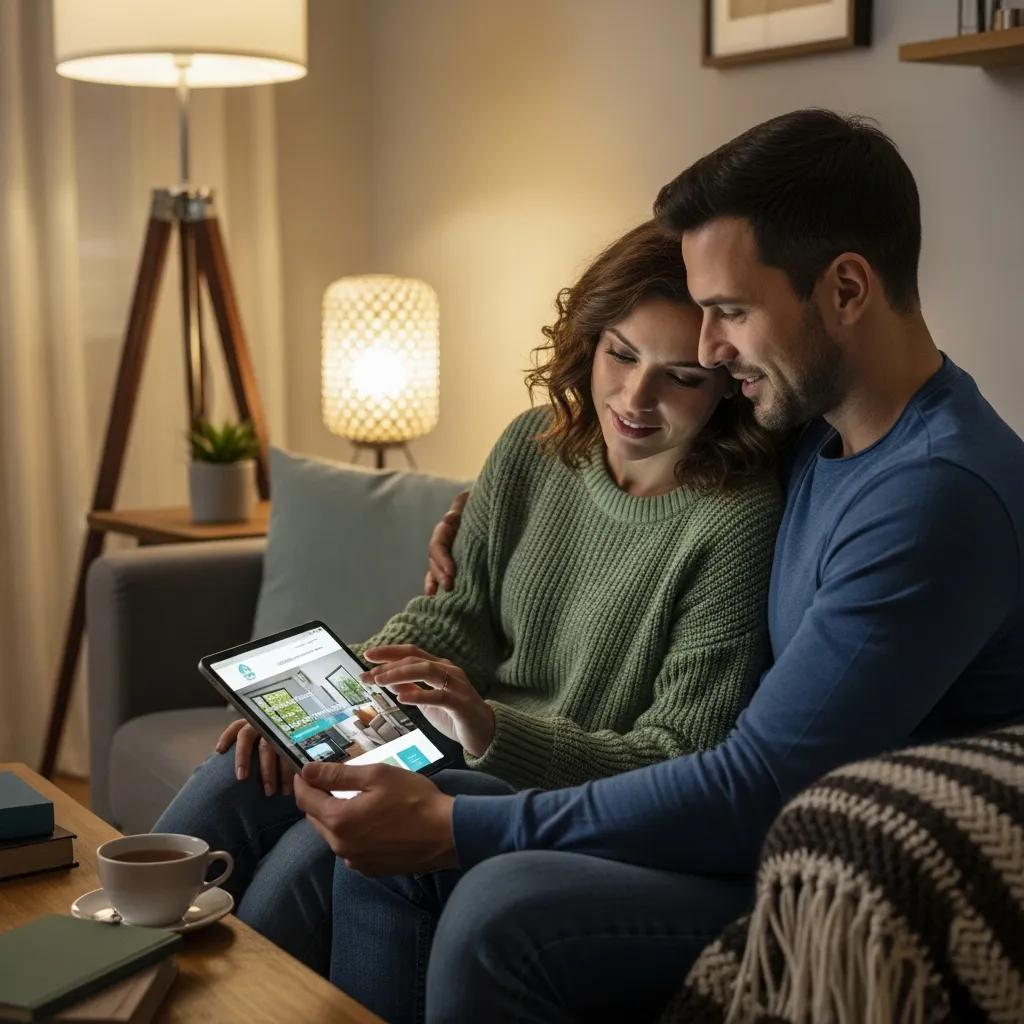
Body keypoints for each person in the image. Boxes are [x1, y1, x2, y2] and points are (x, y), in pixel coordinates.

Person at [291, 109, 1024, 1024]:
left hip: (821, 863)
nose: (710, 352)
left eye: (730, 312)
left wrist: (456, 830)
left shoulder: (933, 495)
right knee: (415, 802)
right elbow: (658, 474)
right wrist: (488, 513)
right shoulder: (814, 428)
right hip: (755, 820)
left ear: (845, 289)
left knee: (492, 902)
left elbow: (752, 790)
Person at [154, 219, 783, 986]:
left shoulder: (735, 520)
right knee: (242, 770)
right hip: (452, 733)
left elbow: (677, 754)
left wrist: (487, 724)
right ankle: (99, 971)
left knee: (310, 854)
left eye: (680, 376)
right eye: (621, 354)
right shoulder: (535, 445)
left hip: (551, 787)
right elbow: (459, 616)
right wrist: (335, 694)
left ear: (727, 383)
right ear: (590, 342)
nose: (635, 398)